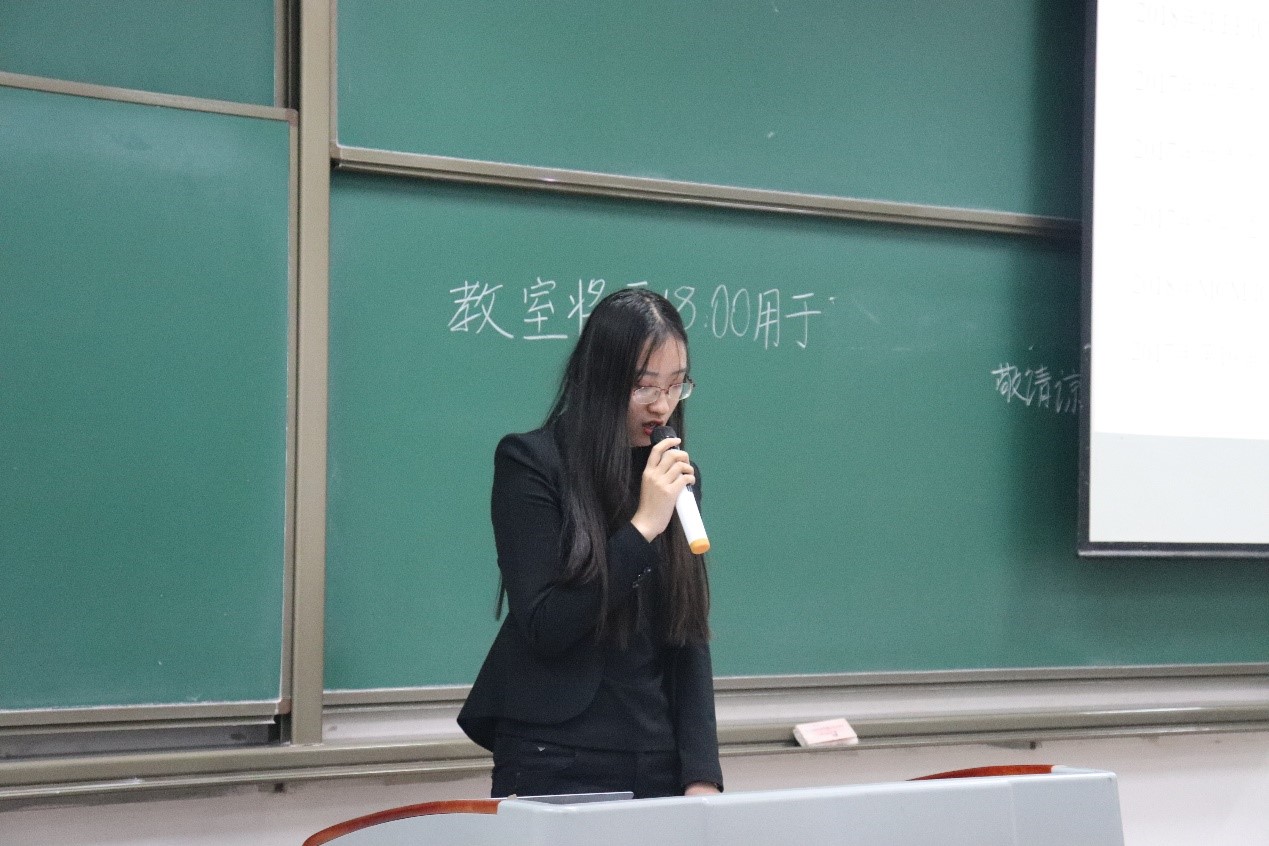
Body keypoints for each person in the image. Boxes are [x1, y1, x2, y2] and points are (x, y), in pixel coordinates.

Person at [458, 288, 722, 799]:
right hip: (553, 753)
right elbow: (546, 624)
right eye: (644, 387)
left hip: (656, 753)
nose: (663, 404)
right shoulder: (530, 463)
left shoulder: (673, 475)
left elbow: (687, 629)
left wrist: (702, 774)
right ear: (601, 380)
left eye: (676, 385)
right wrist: (643, 528)